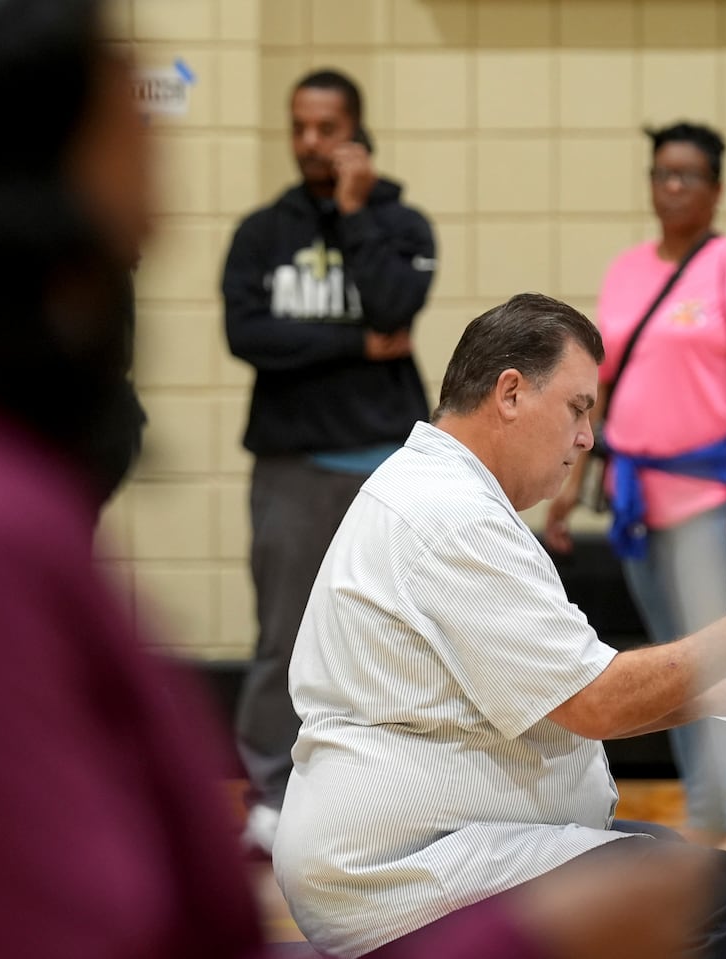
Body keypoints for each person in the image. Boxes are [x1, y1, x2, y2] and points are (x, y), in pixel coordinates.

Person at [0, 4, 726, 958]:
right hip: (398, 852)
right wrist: (528, 937)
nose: (149, 219)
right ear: (18, 199)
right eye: (126, 129)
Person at [275, 292, 726, 959]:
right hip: (398, 870)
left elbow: (556, 691)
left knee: (663, 855)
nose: (587, 438)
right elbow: (594, 700)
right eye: (578, 408)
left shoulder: (437, 491)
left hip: (411, 845)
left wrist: (706, 694)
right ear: (511, 392)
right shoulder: (453, 515)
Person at [544, 122, 726, 865]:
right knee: (677, 669)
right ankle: (706, 815)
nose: (672, 189)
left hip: (710, 500)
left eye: (689, 175)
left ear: (717, 188)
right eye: (661, 173)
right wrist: (569, 488)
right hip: (636, 500)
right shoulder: (627, 270)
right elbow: (596, 386)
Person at [222, 68, 436, 856]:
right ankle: (272, 797)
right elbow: (249, 337)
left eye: (326, 127)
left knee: (396, 637)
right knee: (283, 635)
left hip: (386, 463)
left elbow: (395, 308)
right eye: (299, 127)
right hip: (291, 462)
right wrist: (352, 347)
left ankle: (391, 796)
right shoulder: (260, 233)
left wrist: (353, 213)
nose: (310, 142)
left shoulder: (401, 223)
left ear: (354, 130)